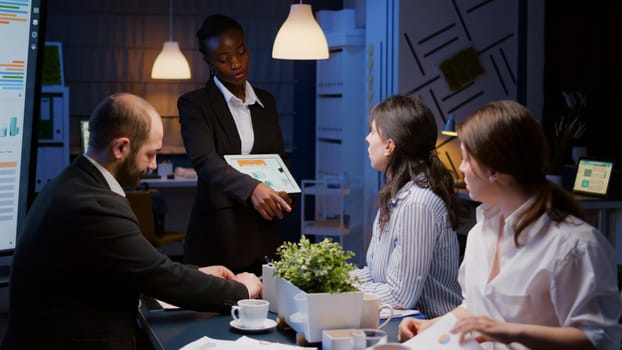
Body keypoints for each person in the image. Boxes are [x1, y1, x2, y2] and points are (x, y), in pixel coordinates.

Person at [0, 93, 262, 349]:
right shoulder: (93, 205)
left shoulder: (74, 182)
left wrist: (197, 273)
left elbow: (138, 263)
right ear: (121, 148)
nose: (153, 165)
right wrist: (241, 291)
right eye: (150, 154)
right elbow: (159, 276)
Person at [397, 100, 622, 349]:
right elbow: (475, 308)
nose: (460, 168)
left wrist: (514, 332)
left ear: (494, 170)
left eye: (467, 159)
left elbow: (598, 339)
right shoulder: (479, 234)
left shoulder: (575, 245)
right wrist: (434, 325)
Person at [177, 14, 292, 275]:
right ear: (209, 62)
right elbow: (206, 162)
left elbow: (278, 158)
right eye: (223, 58)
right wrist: (253, 189)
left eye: (241, 52)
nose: (236, 63)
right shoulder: (195, 104)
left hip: (264, 231)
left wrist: (282, 190)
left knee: (268, 310)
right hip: (219, 232)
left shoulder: (266, 101)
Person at [350, 95, 463, 318]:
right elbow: (374, 275)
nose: (367, 138)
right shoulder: (397, 196)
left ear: (389, 146)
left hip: (432, 332)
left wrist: (338, 292)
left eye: (372, 132)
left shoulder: (417, 204)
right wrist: (328, 281)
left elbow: (399, 297)